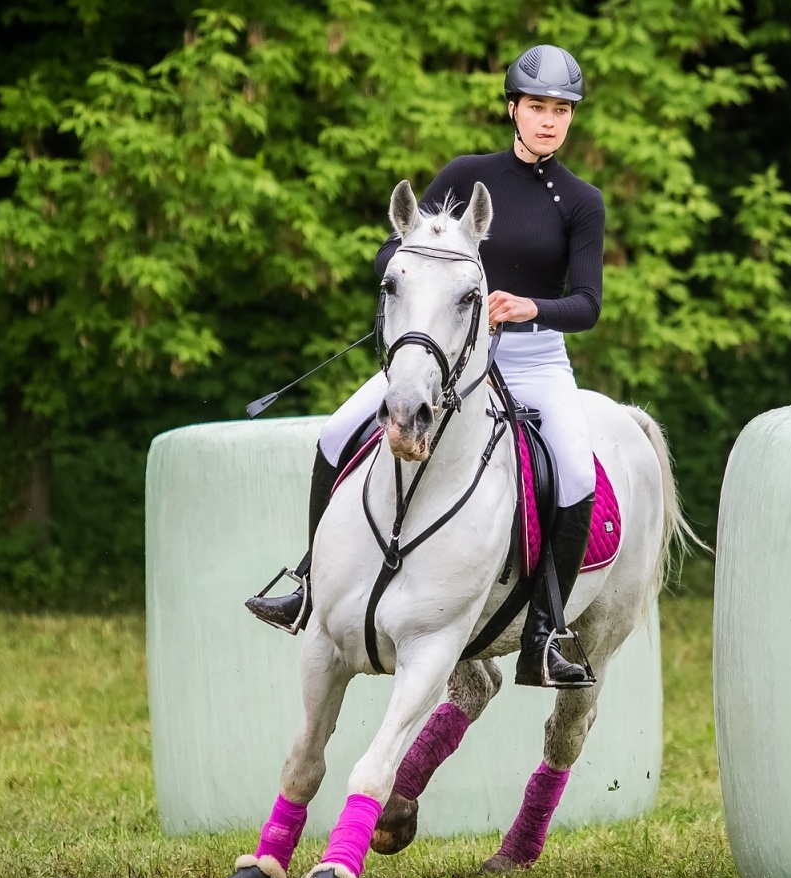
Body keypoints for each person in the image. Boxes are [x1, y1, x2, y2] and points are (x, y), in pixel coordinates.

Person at [247, 44, 605, 689]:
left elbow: (587, 305)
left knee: (576, 473)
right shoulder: (466, 174)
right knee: (336, 431)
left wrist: (530, 306)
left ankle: (545, 634)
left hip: (533, 359)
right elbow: (392, 251)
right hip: (444, 350)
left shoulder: (581, 201)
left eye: (561, 110)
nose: (549, 121)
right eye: (537, 107)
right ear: (512, 109)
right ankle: (308, 585)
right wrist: (421, 276)